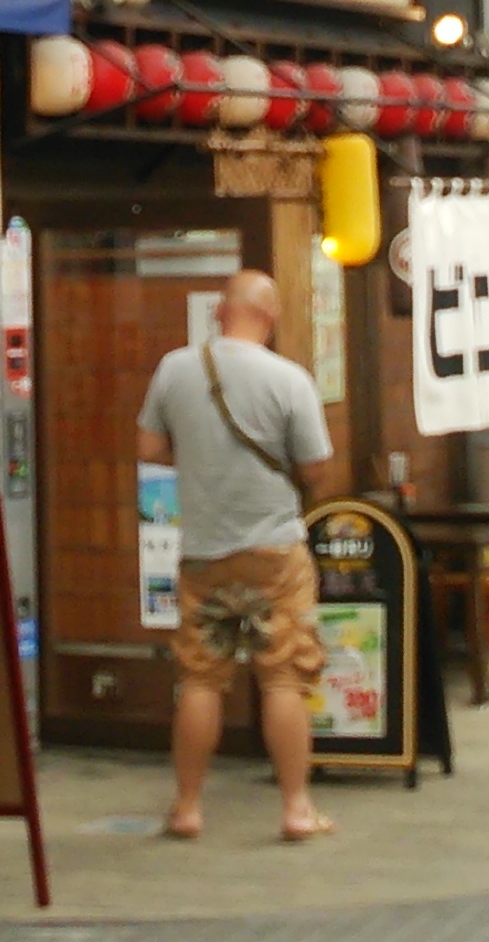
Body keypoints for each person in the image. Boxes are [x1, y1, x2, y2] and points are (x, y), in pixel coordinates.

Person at [136, 269, 344, 842]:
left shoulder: (176, 368)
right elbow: (317, 467)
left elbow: (149, 447)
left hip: (203, 552)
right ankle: (297, 809)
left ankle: (186, 808)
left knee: (201, 680)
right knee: (282, 678)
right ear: (271, 316)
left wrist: (203, 465)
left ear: (219, 312)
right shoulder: (290, 380)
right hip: (275, 550)